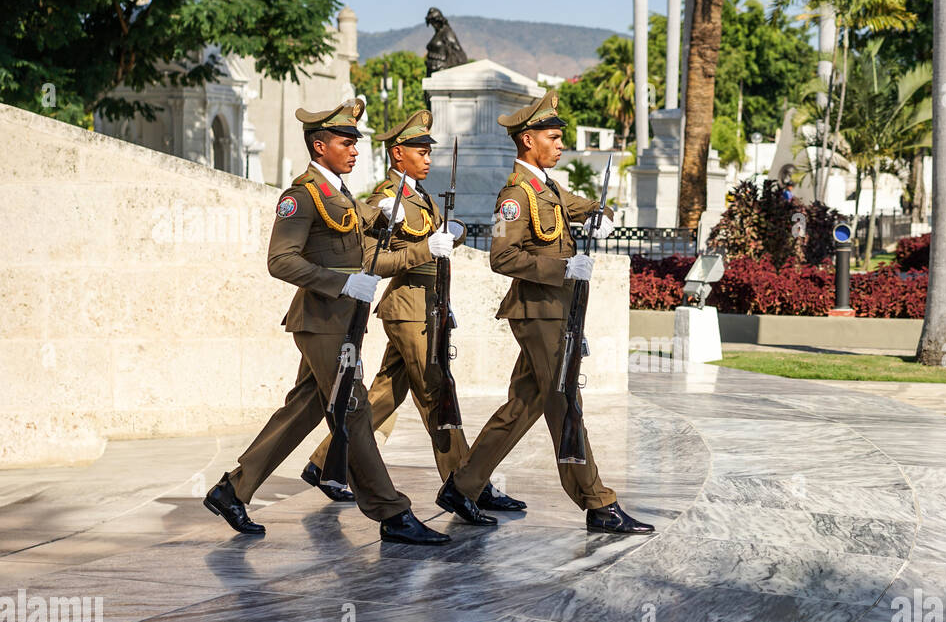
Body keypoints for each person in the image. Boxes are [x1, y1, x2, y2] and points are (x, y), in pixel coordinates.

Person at [203, 99, 447, 546]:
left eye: (355, 141)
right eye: (345, 141)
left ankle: (232, 490)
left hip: (343, 323)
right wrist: (340, 285)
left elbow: (367, 257)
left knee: (305, 409)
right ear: (320, 145)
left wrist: (423, 249)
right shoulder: (302, 195)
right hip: (321, 322)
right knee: (352, 411)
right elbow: (281, 261)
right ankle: (391, 513)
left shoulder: (342, 195)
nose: (355, 149)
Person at [434, 90, 654, 535]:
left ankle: (464, 485)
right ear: (528, 140)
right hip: (538, 313)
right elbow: (502, 256)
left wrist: (600, 213)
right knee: (565, 403)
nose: (559, 145)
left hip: (557, 312)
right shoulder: (514, 196)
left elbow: (581, 206)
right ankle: (598, 503)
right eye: (552, 138)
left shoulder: (547, 187)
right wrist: (562, 266)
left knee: (524, 405)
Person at [300, 109, 525, 514]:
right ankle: (467, 484)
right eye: (419, 151)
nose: (428, 158)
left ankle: (323, 463)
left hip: (428, 304)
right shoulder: (385, 201)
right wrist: (426, 249)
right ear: (397, 154)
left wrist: (448, 238)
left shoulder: (418, 196)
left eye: (428, 151)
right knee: (437, 394)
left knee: (386, 393)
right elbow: (372, 260)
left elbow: (429, 247)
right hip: (407, 308)